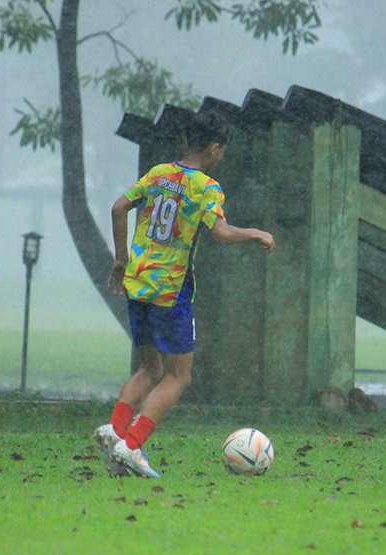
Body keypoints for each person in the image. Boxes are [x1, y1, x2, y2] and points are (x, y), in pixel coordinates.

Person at [93, 111, 276, 478]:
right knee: (178, 377)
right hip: (171, 291)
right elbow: (220, 233)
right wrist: (256, 233)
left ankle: (115, 430)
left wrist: (121, 258)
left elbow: (118, 207)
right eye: (222, 150)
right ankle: (131, 445)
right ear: (214, 148)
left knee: (149, 368)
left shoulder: (159, 173)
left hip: (138, 283)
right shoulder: (206, 187)